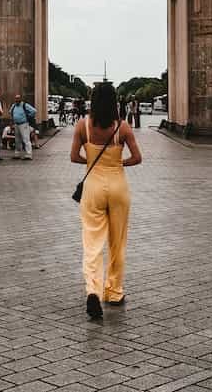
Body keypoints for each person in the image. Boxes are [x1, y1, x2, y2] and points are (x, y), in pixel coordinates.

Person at [71, 80, 142, 320]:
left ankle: (93, 290)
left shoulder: (83, 126)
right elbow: (137, 158)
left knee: (92, 242)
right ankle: (113, 292)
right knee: (117, 242)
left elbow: (74, 157)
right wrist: (117, 162)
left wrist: (93, 162)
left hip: (93, 188)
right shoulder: (122, 127)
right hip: (118, 187)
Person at [10, 92, 38, 160]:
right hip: (16, 124)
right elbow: (11, 112)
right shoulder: (13, 106)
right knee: (17, 140)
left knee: (26, 139)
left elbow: (34, 111)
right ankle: (17, 154)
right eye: (16, 98)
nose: (17, 100)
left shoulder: (25, 105)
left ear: (21, 99)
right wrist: (11, 122)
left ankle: (28, 154)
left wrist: (29, 116)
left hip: (24, 124)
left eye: (18, 98)